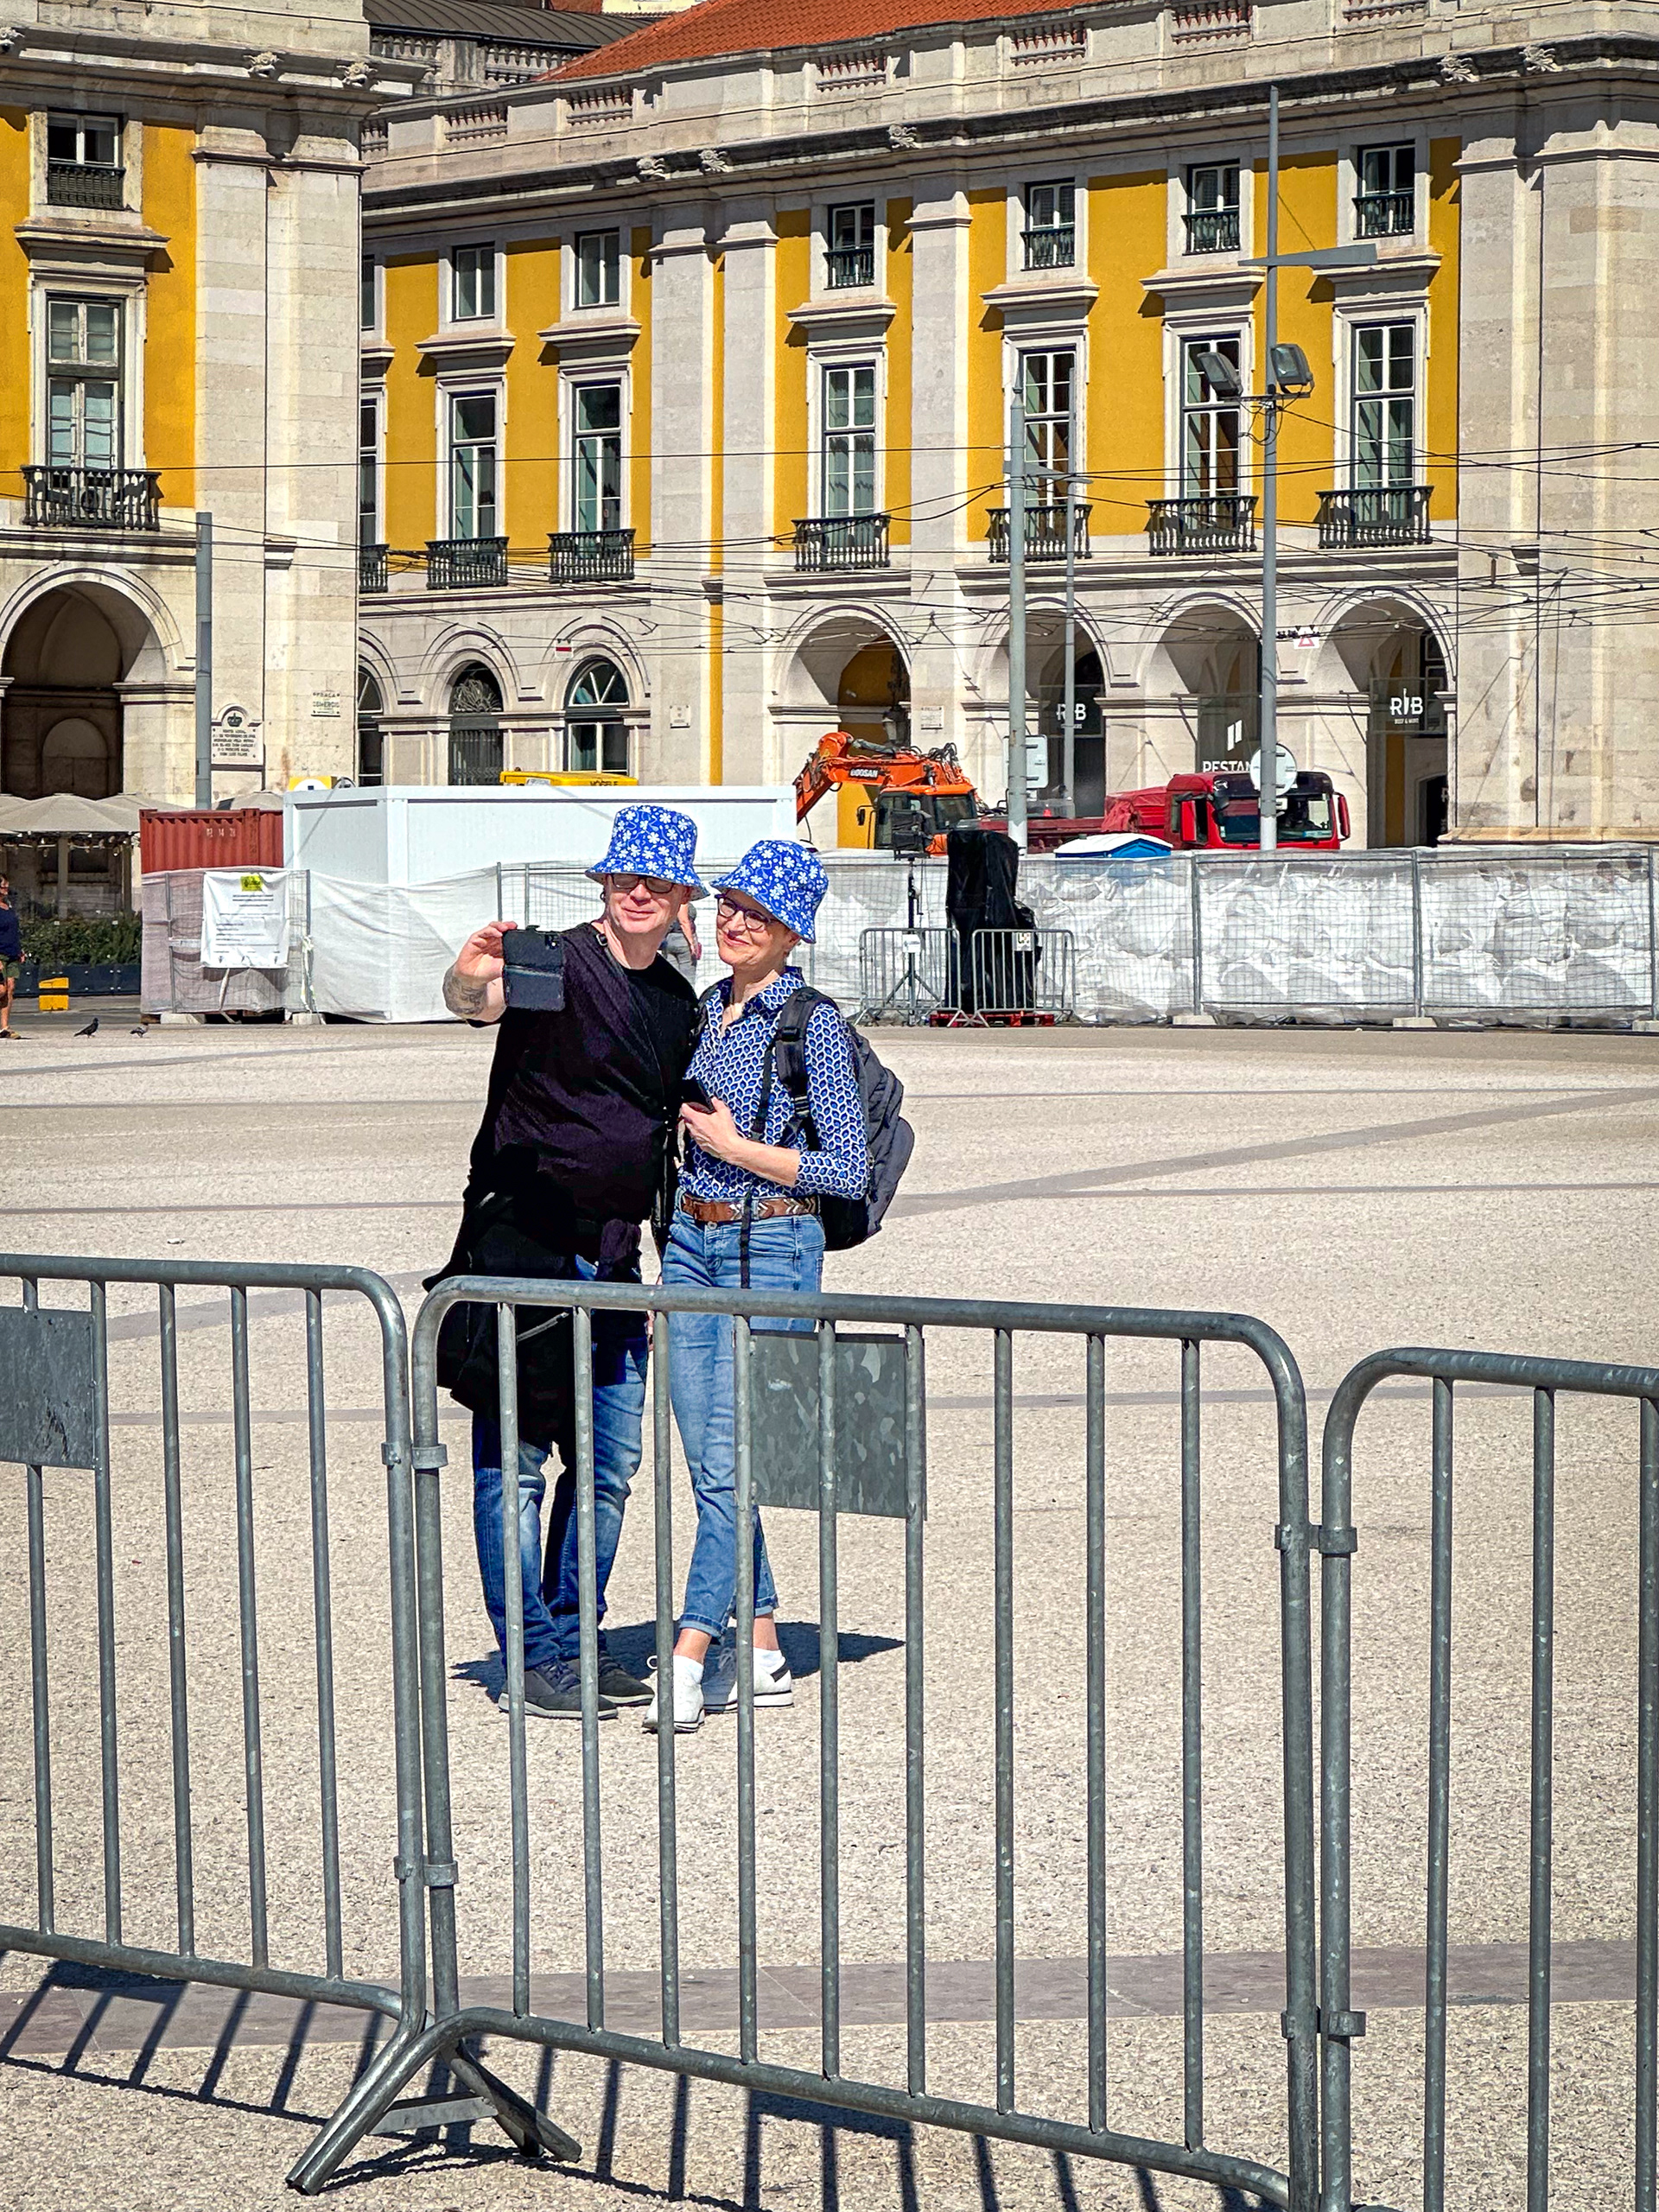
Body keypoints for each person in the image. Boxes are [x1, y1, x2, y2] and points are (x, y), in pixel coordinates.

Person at [438, 806, 702, 1719]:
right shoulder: (552, 957)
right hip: (527, 1245)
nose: (639, 893)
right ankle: (530, 1653)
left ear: (678, 901)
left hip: (617, 1260)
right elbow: (479, 1004)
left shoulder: (675, 1003)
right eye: (627, 878)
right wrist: (467, 979)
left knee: (607, 1466)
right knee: (514, 1462)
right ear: (604, 883)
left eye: (658, 884)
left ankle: (573, 1637)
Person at [647, 840, 870, 1733]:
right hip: (691, 1242)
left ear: (792, 936)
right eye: (731, 905)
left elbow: (847, 1166)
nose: (737, 922)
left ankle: (692, 1652)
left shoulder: (811, 1021)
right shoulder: (706, 1009)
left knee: (733, 1458)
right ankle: (768, 1644)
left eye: (760, 914)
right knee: (713, 1463)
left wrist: (739, 1150)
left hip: (775, 1241)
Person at [0, 879, 21, 1039]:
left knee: (10, 988)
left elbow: (13, 931)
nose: (6, 887)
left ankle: (5, 1028)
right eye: (2, 884)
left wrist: (20, 950)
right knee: (1, 990)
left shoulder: (9, 907)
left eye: (7, 884)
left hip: (12, 953)